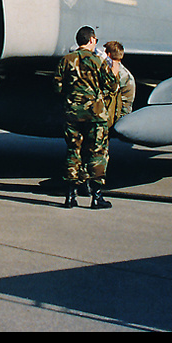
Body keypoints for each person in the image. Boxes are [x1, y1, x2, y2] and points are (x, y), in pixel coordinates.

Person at [53, 26, 119, 209]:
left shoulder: (66, 60)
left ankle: (70, 197)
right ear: (91, 40)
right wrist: (114, 63)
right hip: (95, 115)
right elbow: (112, 86)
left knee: (73, 151)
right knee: (98, 153)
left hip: (72, 114)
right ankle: (96, 197)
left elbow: (57, 88)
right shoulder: (98, 61)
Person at [103, 41, 136, 126]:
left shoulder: (113, 74)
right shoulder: (128, 77)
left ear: (108, 54)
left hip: (108, 120)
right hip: (115, 119)